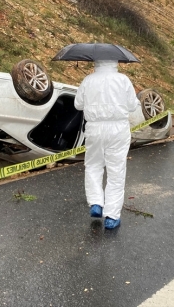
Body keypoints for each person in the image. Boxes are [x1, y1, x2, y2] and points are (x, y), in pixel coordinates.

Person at [74, 60, 139, 230]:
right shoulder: (123, 79)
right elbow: (132, 106)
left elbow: (77, 104)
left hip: (94, 128)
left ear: (96, 62)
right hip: (118, 128)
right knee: (116, 171)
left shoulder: (88, 80)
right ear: (115, 62)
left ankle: (96, 202)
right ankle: (111, 216)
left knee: (94, 165)